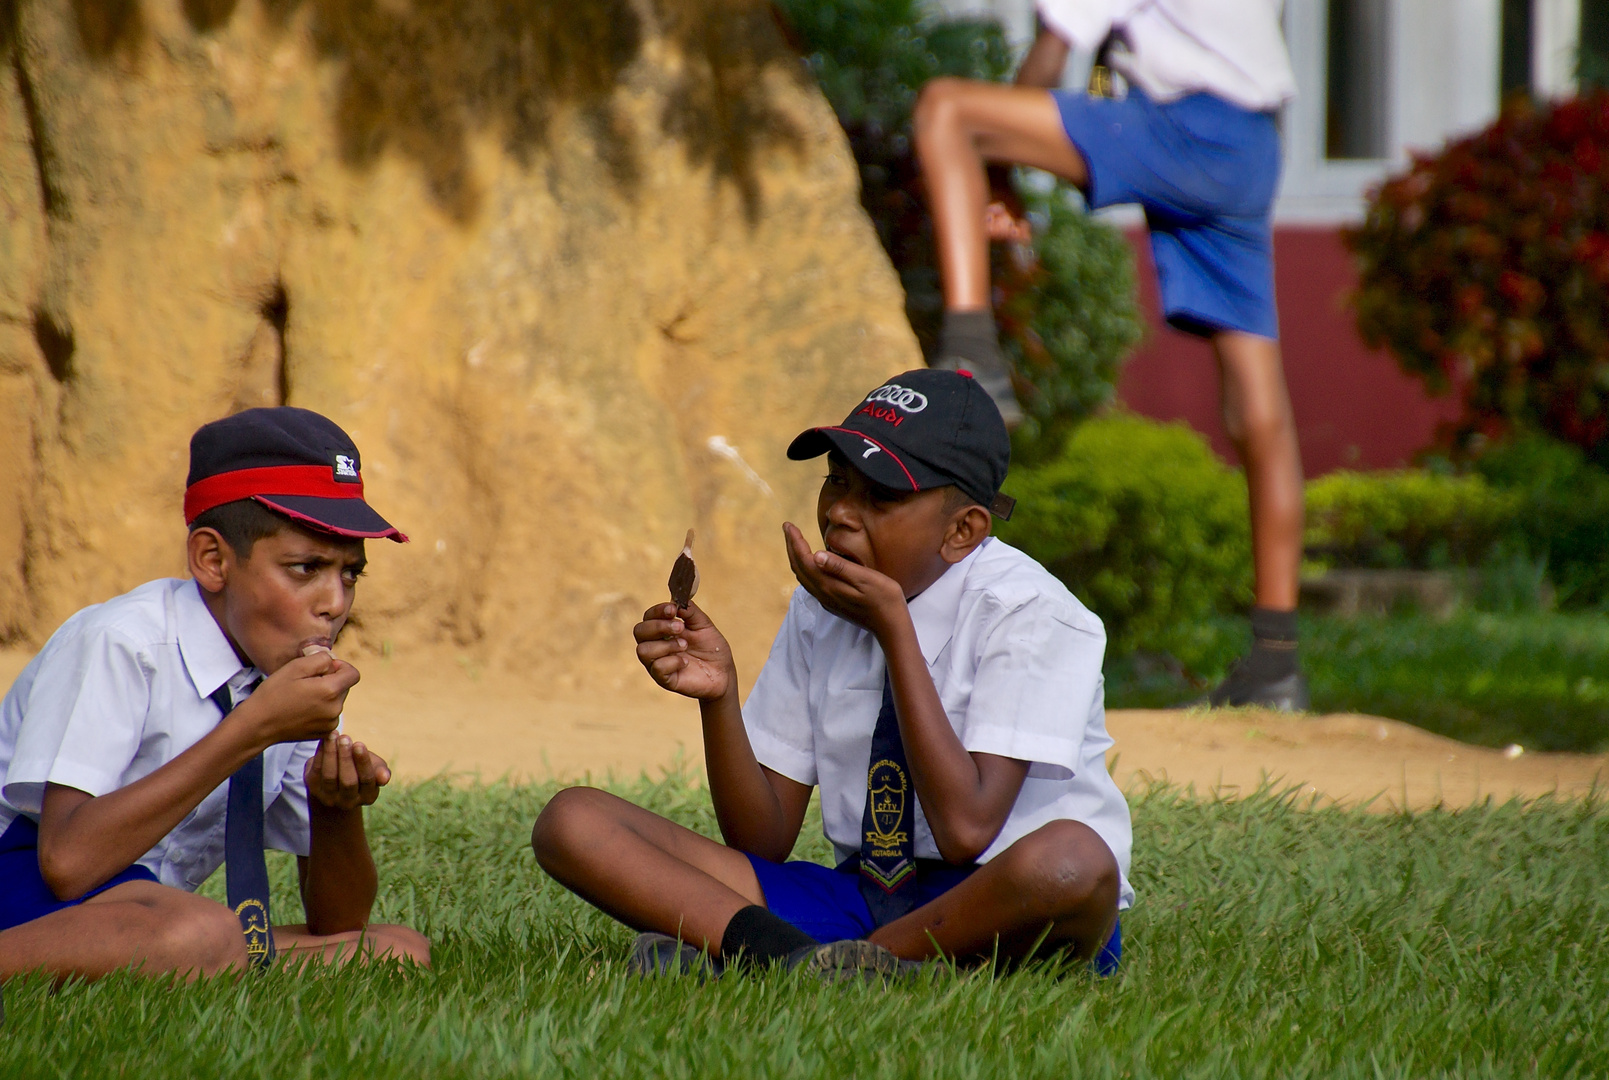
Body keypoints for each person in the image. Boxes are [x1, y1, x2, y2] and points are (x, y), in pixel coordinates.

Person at [533, 369, 1131, 978]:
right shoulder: (820, 608)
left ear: (962, 531)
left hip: (1004, 908)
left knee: (1072, 861)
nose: (841, 513)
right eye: (837, 482)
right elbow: (761, 840)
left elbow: (967, 830)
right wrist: (720, 695)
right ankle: (802, 961)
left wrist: (894, 629)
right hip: (864, 897)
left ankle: (813, 961)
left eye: (881, 497)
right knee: (574, 821)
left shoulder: (1032, 614)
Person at [913, 0, 1308, 709]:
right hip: (1249, 145)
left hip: (1181, 129)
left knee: (946, 108)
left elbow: (1049, 57)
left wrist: (997, 170)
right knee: (1258, 407)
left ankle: (971, 350)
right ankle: (1276, 661)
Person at [0, 407, 431, 982]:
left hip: (145, 915)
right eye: (306, 568)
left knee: (398, 949)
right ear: (212, 560)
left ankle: (204, 962)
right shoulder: (123, 643)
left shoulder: (279, 680)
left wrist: (335, 809)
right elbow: (67, 864)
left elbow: (339, 919)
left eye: (351, 573)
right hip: (23, 885)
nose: (334, 602)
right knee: (203, 931)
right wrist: (252, 729)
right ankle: (203, 956)